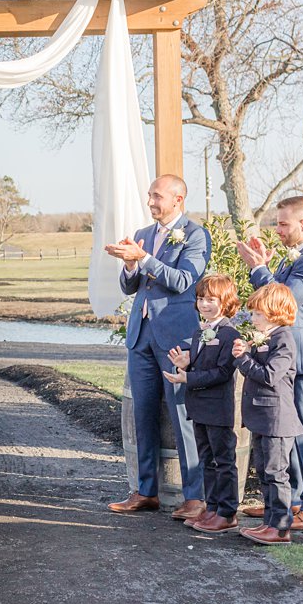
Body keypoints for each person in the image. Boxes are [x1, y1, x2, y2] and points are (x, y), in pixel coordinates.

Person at [105, 174, 212, 521]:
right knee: (143, 416)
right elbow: (131, 287)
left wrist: (145, 259)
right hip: (141, 335)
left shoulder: (196, 235)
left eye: (157, 196)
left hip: (175, 339)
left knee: (182, 415)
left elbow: (184, 281)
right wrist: (130, 263)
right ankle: (145, 491)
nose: (151, 202)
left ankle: (195, 496)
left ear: (178, 199)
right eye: (150, 195)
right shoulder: (142, 235)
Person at [237, 196, 303, 532]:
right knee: (287, 433)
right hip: (291, 357)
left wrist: (258, 270)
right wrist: (264, 268)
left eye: (283, 223)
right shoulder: (296, 257)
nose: (277, 229)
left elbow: (283, 301)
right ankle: (286, 501)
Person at [163, 273, 241, 533]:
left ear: (226, 301)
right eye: (200, 299)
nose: (204, 304)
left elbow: (222, 372)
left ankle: (228, 512)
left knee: (224, 460)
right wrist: (187, 363)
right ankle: (212, 507)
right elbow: (202, 363)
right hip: (199, 406)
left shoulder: (230, 334)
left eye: (211, 299)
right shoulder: (199, 332)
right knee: (206, 459)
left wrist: (189, 377)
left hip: (218, 408)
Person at [232, 284, 303, 545]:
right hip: (261, 416)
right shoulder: (267, 337)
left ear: (275, 313)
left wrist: (244, 358)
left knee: (276, 472)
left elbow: (271, 376)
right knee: (263, 471)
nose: (253, 319)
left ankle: (281, 527)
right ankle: (269, 521)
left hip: (277, 418)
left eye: (258, 314)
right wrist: (246, 357)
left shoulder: (283, 338)